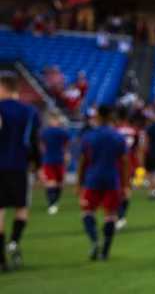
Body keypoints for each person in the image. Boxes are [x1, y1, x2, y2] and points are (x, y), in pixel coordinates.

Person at [77, 105, 130, 261]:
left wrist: (79, 183)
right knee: (111, 214)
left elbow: (82, 161)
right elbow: (125, 161)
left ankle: (94, 241)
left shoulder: (89, 136)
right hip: (112, 179)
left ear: (98, 116)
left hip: (92, 179)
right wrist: (126, 184)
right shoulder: (118, 137)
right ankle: (105, 250)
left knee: (87, 211)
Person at [0, 73, 40, 272]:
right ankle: (14, 242)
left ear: (4, 87)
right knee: (21, 207)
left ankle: (1, 259)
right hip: (19, 166)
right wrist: (37, 165)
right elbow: (34, 142)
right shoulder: (30, 111)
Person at [39, 111, 71, 215]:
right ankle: (52, 204)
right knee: (52, 182)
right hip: (50, 160)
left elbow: (66, 145)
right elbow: (42, 146)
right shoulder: (47, 132)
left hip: (58, 160)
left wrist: (66, 154)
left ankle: (54, 202)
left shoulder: (59, 132)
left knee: (59, 183)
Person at [113, 109, 140, 230]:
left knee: (116, 189)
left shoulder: (115, 131)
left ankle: (119, 216)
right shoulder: (134, 131)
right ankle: (121, 216)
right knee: (127, 189)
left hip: (117, 162)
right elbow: (137, 148)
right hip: (131, 162)